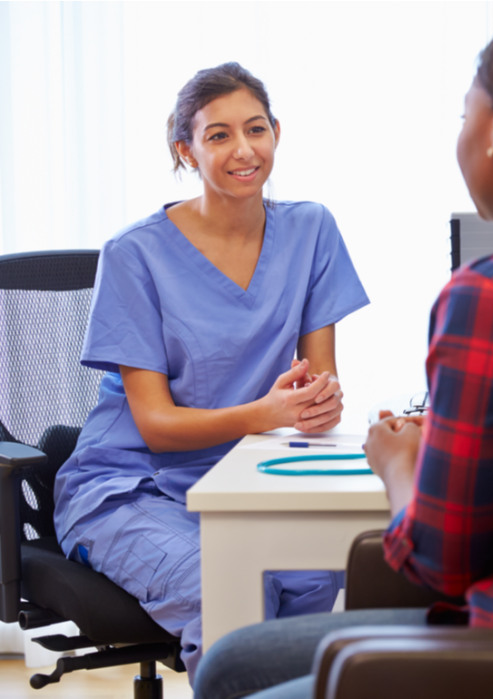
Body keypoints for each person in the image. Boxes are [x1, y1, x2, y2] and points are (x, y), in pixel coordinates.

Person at [194, 8, 493, 698]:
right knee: (233, 662)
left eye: (467, 109)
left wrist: (400, 461)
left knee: (230, 673)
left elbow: (442, 558)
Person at [52, 62, 370, 684]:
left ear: (277, 131)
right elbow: (156, 425)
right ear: (186, 150)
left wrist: (318, 403)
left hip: (250, 480)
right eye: (218, 135)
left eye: (256, 129)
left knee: (312, 573)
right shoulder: (135, 254)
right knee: (225, 588)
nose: (243, 149)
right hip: (129, 487)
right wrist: (267, 413)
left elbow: (315, 381)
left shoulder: (311, 230)